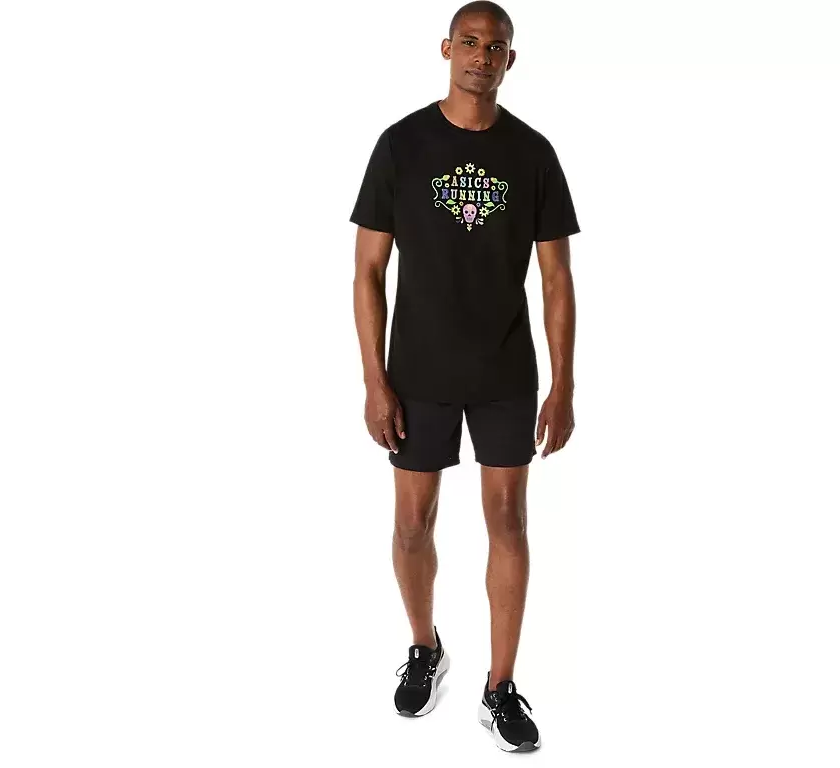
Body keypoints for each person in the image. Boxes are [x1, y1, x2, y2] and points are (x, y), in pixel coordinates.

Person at [350, 1, 578, 753]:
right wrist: (374, 380)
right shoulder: (401, 144)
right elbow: (368, 269)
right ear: (447, 49)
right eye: (471, 41)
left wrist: (563, 385)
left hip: (506, 370)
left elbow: (556, 281)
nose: (483, 55)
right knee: (412, 524)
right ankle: (425, 647)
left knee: (509, 522)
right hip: (417, 371)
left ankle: (500, 687)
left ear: (511, 59)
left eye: (497, 45)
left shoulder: (533, 154)